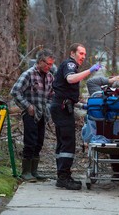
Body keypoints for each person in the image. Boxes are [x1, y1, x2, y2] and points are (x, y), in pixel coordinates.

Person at [50, 43, 101, 190]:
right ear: (72, 53)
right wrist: (90, 70)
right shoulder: (70, 64)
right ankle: (64, 178)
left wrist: (83, 106)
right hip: (61, 109)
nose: (83, 57)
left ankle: (62, 175)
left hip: (63, 107)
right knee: (68, 143)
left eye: (85, 54)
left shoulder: (71, 65)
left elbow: (66, 93)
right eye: (81, 53)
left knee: (63, 142)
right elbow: (71, 79)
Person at [10, 48, 55, 182]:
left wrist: (48, 107)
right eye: (47, 64)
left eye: (51, 64)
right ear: (40, 61)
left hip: (43, 114)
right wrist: (27, 106)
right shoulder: (29, 74)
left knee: (39, 142)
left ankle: (34, 171)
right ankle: (26, 171)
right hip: (30, 114)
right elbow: (15, 91)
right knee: (30, 141)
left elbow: (52, 95)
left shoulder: (50, 77)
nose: (49, 67)